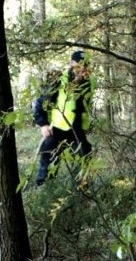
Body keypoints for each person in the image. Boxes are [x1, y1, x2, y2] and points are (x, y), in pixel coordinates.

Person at [32, 50, 95, 186]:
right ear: (71, 64)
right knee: (47, 153)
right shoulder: (58, 80)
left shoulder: (89, 82)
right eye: (79, 65)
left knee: (85, 154)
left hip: (77, 130)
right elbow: (40, 103)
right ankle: (44, 186)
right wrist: (43, 124)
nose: (82, 68)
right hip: (57, 129)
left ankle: (83, 188)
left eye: (85, 65)